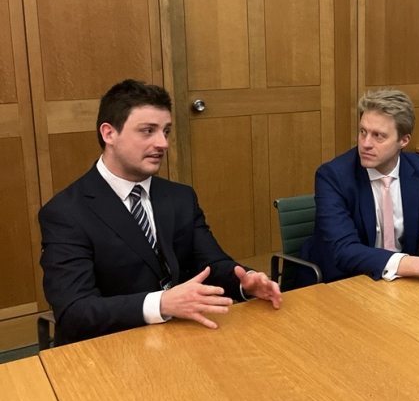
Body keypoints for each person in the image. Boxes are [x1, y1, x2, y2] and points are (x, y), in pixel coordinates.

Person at [39, 80, 282, 345]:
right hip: (108, 347)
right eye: (148, 131)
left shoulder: (179, 196)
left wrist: (245, 283)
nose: (163, 143)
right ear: (109, 134)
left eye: (166, 131)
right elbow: (75, 312)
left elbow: (211, 263)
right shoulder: (66, 212)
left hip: (180, 336)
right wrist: (162, 304)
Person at [297, 88, 419, 287]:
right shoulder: (333, 176)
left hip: (401, 284)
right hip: (342, 282)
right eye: (363, 132)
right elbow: (345, 251)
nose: (365, 143)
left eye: (378, 136)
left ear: (403, 140)